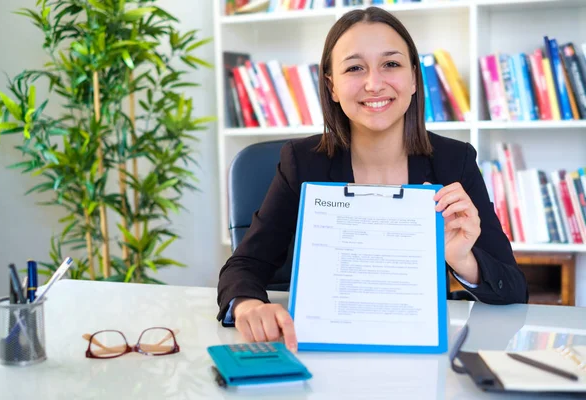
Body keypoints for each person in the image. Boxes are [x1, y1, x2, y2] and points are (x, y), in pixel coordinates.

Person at [216, 6, 528, 352]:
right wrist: (249, 306)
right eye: (354, 68)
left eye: (391, 64)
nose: (374, 83)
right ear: (331, 86)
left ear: (413, 78)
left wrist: (461, 258)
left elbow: (514, 288)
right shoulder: (302, 163)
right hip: (322, 348)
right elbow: (244, 265)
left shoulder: (454, 162)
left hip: (420, 356)